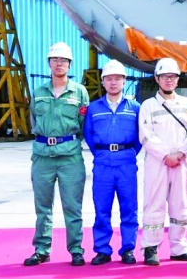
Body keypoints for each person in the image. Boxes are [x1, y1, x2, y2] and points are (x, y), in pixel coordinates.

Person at [24, 42, 90, 267]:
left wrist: (68, 142)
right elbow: (33, 119)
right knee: (42, 206)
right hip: (42, 155)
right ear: (49, 63)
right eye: (55, 60)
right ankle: (42, 249)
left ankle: (76, 249)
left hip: (70, 156)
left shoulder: (79, 91)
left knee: (73, 206)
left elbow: (84, 124)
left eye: (63, 60)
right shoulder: (39, 92)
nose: (59, 63)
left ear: (70, 65)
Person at [138, 57, 187, 266]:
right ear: (157, 78)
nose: (169, 80)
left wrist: (180, 154)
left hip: (182, 161)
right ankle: (150, 247)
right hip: (158, 162)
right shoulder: (148, 105)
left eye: (173, 76)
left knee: (180, 204)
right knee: (153, 203)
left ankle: (179, 247)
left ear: (178, 80)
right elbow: (145, 136)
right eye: (165, 76)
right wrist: (166, 155)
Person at [83, 59, 141, 266]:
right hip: (103, 165)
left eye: (117, 78)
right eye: (109, 79)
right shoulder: (94, 108)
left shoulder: (135, 107)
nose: (113, 82)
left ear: (124, 81)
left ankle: (128, 249)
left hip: (126, 164)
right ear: (103, 82)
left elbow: (139, 137)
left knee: (129, 208)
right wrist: (102, 153)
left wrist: (128, 152)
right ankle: (102, 250)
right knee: (102, 209)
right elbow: (88, 135)